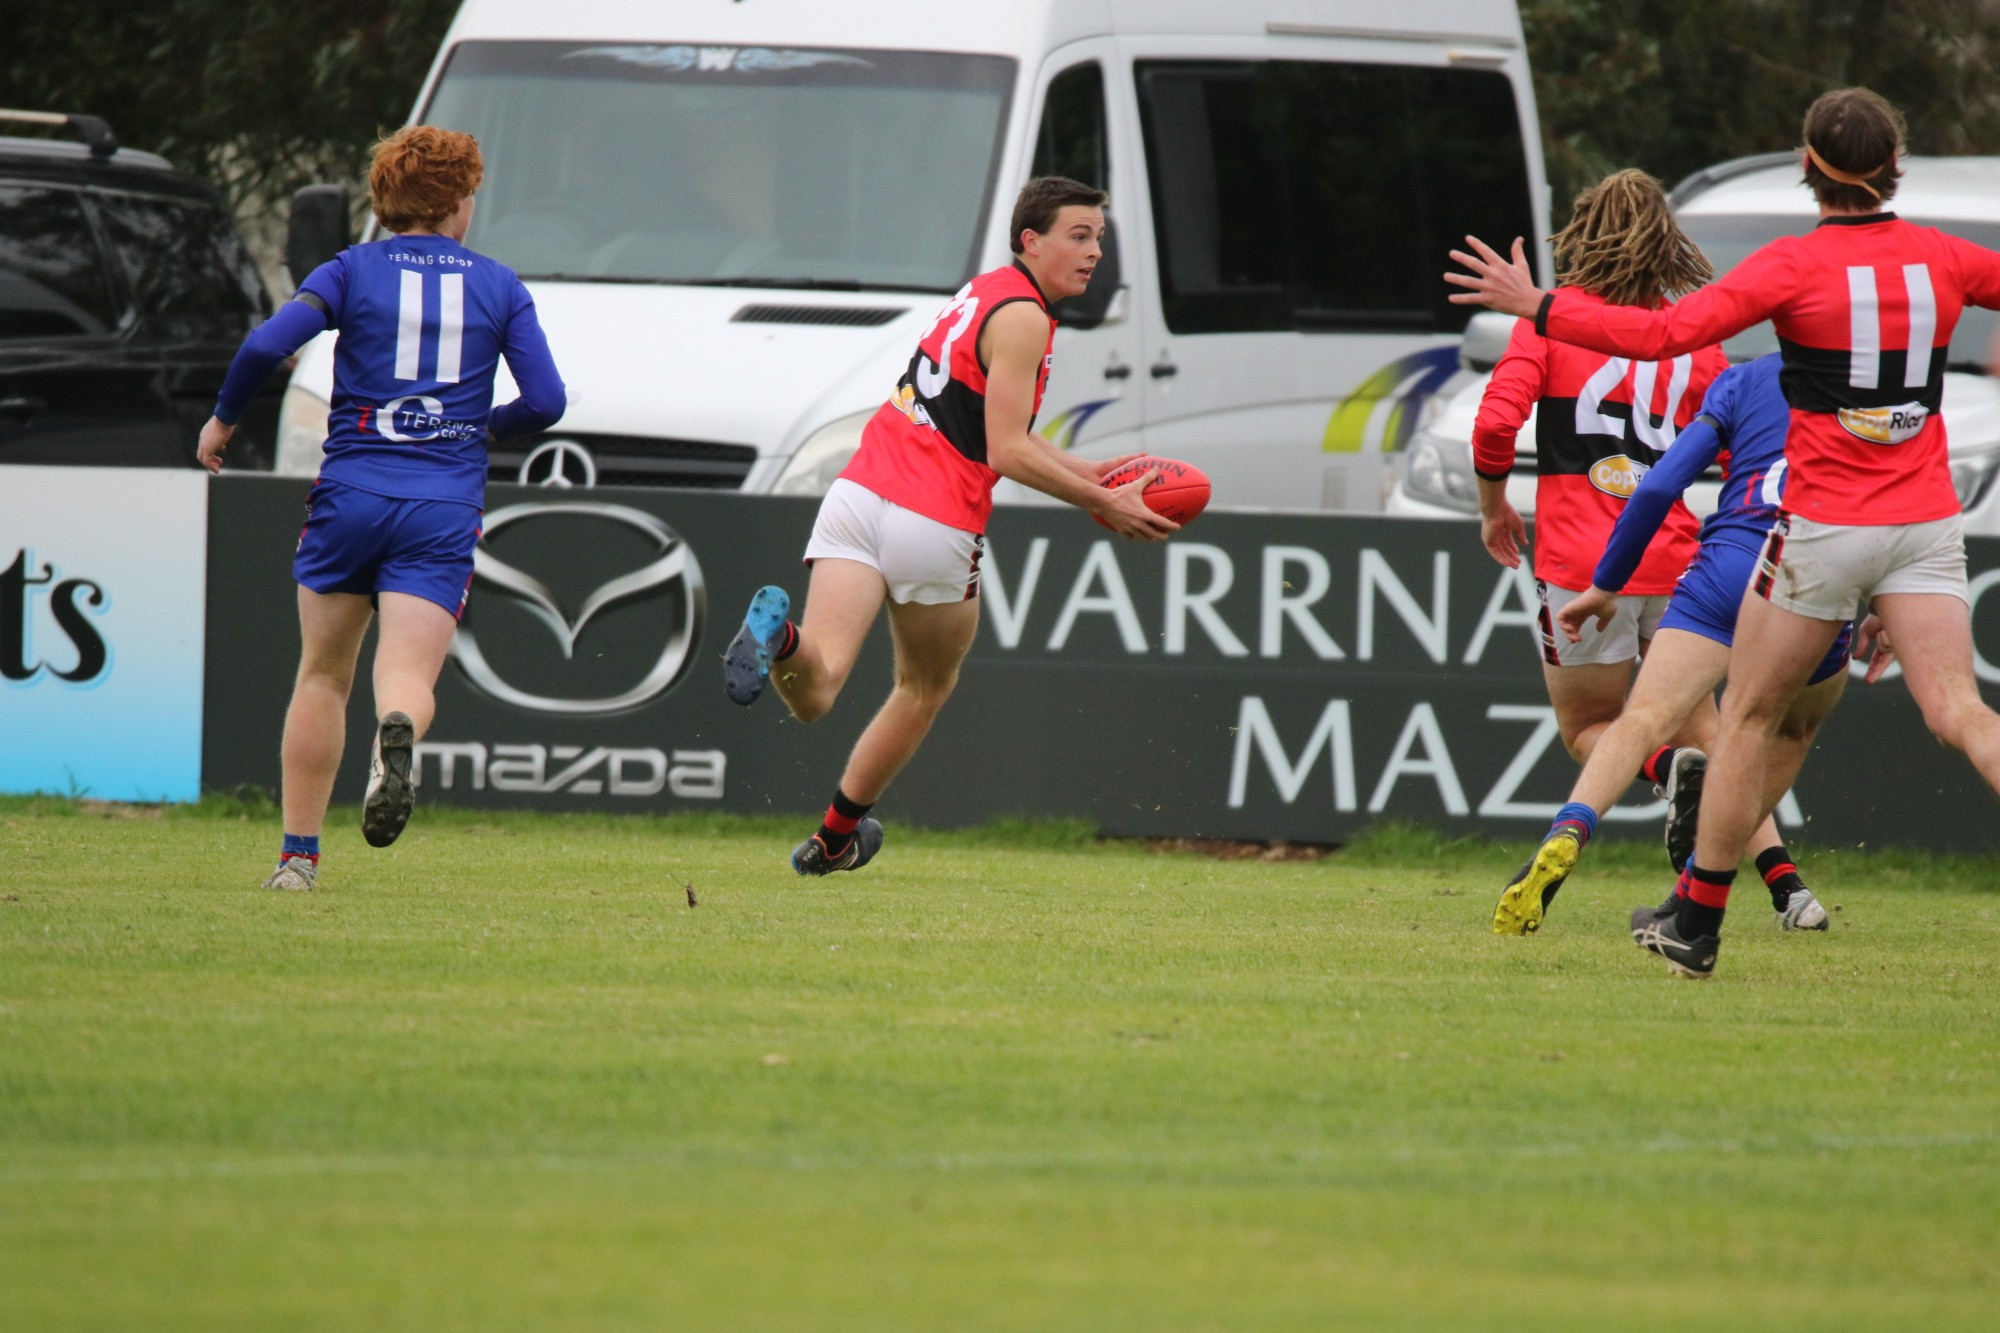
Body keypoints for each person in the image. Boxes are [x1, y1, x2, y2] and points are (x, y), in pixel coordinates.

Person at [1448, 87, 2000, 977]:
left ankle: (1695, 921)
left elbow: (1665, 332)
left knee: (1739, 719)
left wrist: (1540, 306)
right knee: (1963, 714)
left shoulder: (1791, 267)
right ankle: (1758, 892)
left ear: (1807, 166)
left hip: (1819, 527)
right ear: (1896, 166)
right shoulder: (1943, 258)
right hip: (1927, 520)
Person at [721, 176, 1175, 874]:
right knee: (925, 687)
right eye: (1078, 236)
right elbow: (1005, 451)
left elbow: (979, 422)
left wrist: (1091, 472)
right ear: (1032, 239)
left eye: (1099, 239)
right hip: (932, 520)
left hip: (859, 493)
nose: (1093, 253)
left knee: (816, 687)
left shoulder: (987, 290)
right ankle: (836, 835)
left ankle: (776, 636)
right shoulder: (1027, 319)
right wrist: (1105, 503)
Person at [199, 126, 566, 891]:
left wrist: (224, 419)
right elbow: (546, 401)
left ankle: (297, 860)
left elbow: (268, 343)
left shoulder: (348, 271)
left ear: (388, 197)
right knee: (404, 676)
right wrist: (484, 425)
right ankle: (393, 736)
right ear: (459, 200)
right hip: (441, 503)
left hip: (351, 495)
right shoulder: (499, 284)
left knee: (324, 676)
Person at [1510, 353, 1897, 936]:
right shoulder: (1890, 392)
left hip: (1718, 562)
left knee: (1639, 719)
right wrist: (1889, 603)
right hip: (1820, 570)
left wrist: (1604, 584)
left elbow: (1661, 481)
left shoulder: (1741, 375)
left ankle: (1570, 829)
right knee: (1773, 733)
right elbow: (1898, 506)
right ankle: (1746, 890)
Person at [1472, 169, 1727, 935]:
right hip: (1680, 562)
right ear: (1668, 240)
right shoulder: (1695, 336)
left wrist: (1493, 510)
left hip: (1583, 565)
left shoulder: (1551, 320)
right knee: (1714, 732)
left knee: (1590, 724)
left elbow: (1492, 429)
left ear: (1579, 232)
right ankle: (1791, 890)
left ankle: (1657, 771)